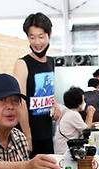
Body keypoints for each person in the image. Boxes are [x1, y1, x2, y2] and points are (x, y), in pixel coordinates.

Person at [13, 12, 60, 155]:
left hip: (46, 131)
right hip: (29, 134)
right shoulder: (22, 63)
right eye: (32, 37)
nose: (37, 42)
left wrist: (55, 104)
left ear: (49, 35)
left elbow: (48, 92)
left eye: (41, 37)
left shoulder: (51, 62)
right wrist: (27, 136)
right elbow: (20, 101)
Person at [53, 86, 95, 154]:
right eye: (83, 100)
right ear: (78, 102)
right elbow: (86, 130)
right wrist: (90, 113)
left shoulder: (67, 112)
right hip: (65, 152)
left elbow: (82, 126)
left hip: (61, 149)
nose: (84, 102)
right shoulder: (73, 114)